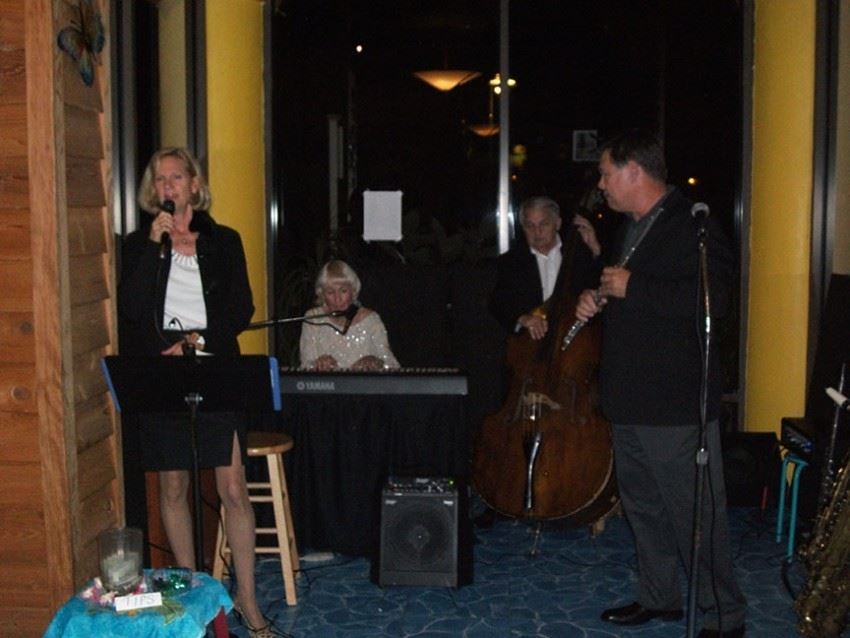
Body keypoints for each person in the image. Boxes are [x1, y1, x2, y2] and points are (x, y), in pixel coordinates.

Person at [575, 129, 746, 638]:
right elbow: (632, 297)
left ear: (634, 172)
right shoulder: (630, 227)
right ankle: (660, 596)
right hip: (629, 398)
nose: (601, 184)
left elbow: (713, 300)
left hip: (674, 404)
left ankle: (724, 614)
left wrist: (634, 286)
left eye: (606, 173)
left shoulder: (694, 223)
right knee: (644, 510)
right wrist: (599, 297)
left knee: (696, 516)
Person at [117, 147, 274, 637]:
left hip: (215, 367)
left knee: (233, 488)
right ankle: (195, 599)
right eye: (160, 179)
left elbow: (241, 307)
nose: (168, 186)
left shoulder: (224, 240)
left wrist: (198, 340)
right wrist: (152, 246)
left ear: (194, 185)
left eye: (176, 177)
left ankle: (247, 598)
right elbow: (132, 309)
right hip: (164, 373)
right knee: (173, 488)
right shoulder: (138, 244)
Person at [489, 196, 601, 340]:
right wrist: (522, 319)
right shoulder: (511, 261)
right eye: (530, 226)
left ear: (557, 223)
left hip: (575, 340)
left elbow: (599, 288)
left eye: (544, 224)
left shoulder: (578, 253)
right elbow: (498, 302)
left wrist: (596, 251)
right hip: (530, 344)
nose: (537, 232)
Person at [299, 260, 400, 370]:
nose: (337, 298)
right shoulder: (313, 318)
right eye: (330, 292)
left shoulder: (371, 320)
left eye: (343, 291)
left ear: (353, 291)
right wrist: (317, 364)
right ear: (322, 295)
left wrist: (376, 362)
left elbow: (392, 365)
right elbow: (305, 365)